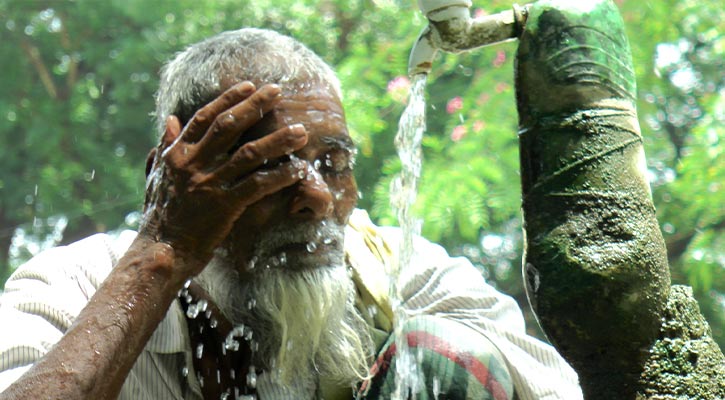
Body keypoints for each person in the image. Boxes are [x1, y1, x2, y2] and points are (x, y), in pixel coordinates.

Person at [0, 28, 582, 400]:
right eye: (266, 165)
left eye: (333, 162)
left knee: (445, 359)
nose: (316, 198)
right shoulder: (73, 286)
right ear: (169, 181)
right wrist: (164, 250)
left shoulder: (400, 276)